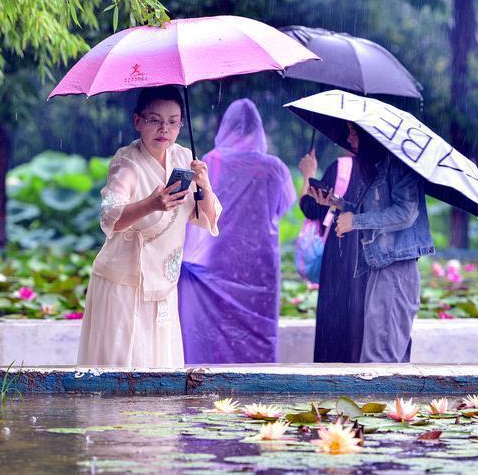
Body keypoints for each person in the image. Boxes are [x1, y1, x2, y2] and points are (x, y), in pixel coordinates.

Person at [77, 86, 222, 368]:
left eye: (172, 121)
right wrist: (151, 204)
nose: (163, 129)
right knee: (122, 364)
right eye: (155, 120)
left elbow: (206, 218)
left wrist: (204, 184)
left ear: (182, 124)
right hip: (123, 283)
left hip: (164, 281)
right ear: (137, 121)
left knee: (160, 364)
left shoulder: (184, 158)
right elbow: (109, 217)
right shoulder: (127, 162)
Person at [178, 99, 296, 364]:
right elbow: (284, 207)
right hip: (259, 267)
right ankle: (259, 397)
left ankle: (212, 393)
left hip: (218, 263)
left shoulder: (210, 162)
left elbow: (198, 210)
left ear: (225, 127)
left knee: (214, 337)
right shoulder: (275, 168)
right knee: (259, 337)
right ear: (259, 130)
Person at [334, 123, 433, 363]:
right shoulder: (378, 168)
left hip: (396, 270)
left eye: (354, 133)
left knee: (381, 357)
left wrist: (354, 221)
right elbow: (377, 211)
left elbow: (406, 212)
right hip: (382, 266)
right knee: (382, 351)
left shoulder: (399, 164)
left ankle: (378, 401)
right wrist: (338, 205)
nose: (349, 138)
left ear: (369, 136)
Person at [298, 125, 369, 363]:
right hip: (371, 257)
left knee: (334, 323)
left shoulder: (342, 167)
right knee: (361, 321)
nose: (348, 138)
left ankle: (330, 380)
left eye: (354, 133)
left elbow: (311, 208)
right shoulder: (383, 171)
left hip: (339, 255)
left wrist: (308, 174)